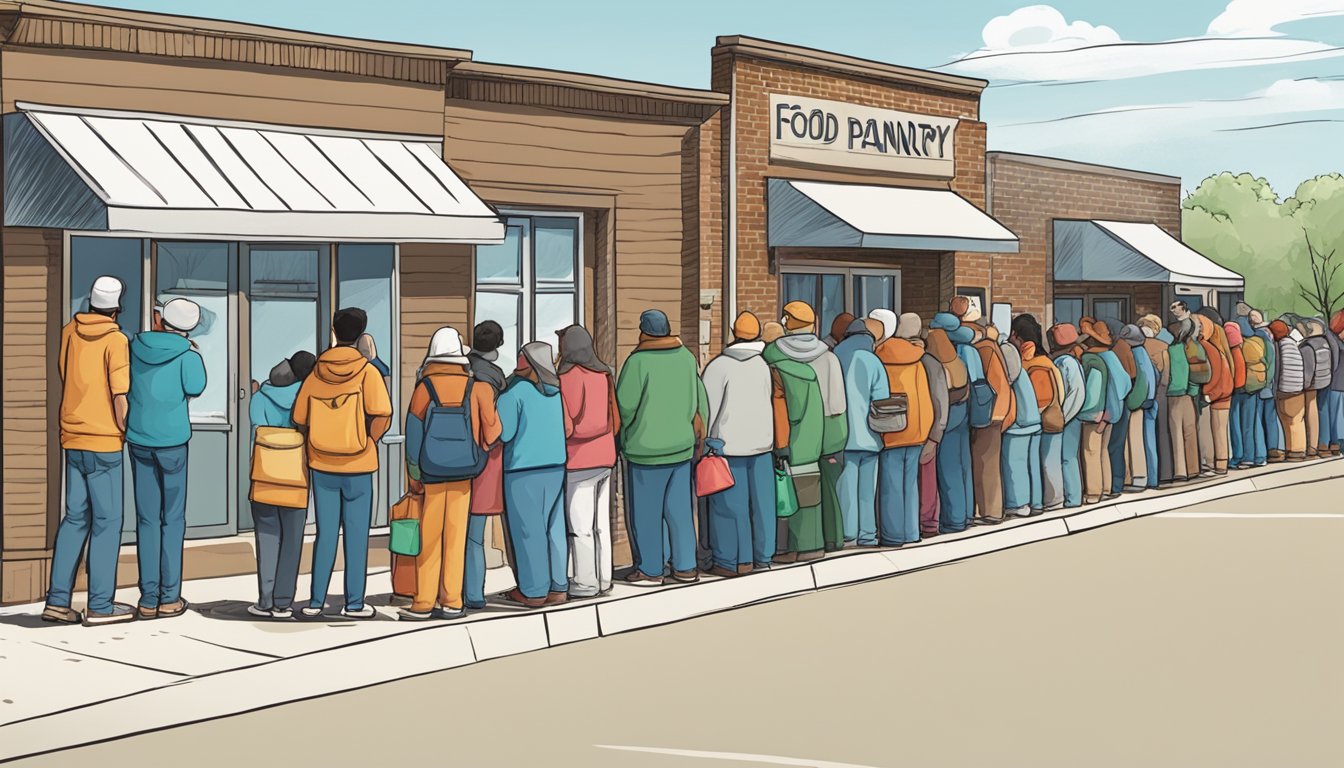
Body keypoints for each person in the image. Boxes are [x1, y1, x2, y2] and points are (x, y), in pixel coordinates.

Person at [44, 276, 136, 626]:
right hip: (104, 441)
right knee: (108, 522)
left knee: (75, 517)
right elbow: (119, 396)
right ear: (116, 307)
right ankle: (100, 604)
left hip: (72, 436)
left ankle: (57, 601)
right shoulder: (116, 340)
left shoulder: (69, 332)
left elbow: (64, 374)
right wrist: (125, 429)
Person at [292, 308, 394, 619]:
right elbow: (383, 414)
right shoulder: (368, 372)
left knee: (325, 534)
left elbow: (298, 417)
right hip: (360, 465)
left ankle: (315, 601)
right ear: (361, 334)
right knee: (356, 534)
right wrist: (368, 441)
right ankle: (354, 604)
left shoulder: (316, 372)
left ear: (334, 333)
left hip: (322, 464)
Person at [402, 327, 500, 620]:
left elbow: (413, 435)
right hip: (464, 473)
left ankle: (423, 602)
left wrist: (414, 472)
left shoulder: (424, 389)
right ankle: (453, 601)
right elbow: (494, 431)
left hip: (431, 472)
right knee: (456, 538)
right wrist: (478, 451)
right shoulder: (478, 388)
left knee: (430, 537)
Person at [126, 298, 207, 621]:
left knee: (147, 520)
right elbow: (197, 387)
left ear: (161, 320)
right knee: (172, 520)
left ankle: (147, 597)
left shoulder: (134, 346)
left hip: (139, 439)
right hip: (173, 442)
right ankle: (169, 597)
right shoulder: (188, 356)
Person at [617, 309, 707, 584]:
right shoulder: (686, 359)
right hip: (681, 448)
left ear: (644, 332)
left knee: (646, 514)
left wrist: (621, 438)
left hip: (646, 451)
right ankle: (685, 566)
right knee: (679, 511)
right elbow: (701, 402)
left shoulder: (637, 362)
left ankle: (651, 568)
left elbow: (625, 407)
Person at [703, 312, 778, 574]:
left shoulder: (719, 366)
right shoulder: (763, 365)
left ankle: (734, 560)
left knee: (729, 508)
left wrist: (704, 444)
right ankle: (763, 556)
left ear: (733, 333)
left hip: (728, 448)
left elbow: (707, 409)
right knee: (762, 506)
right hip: (762, 446)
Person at [495, 341, 569, 606]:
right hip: (556, 467)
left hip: (523, 470)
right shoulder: (556, 393)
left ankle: (534, 590)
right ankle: (558, 586)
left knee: (529, 531)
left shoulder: (514, 394)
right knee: (554, 527)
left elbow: (504, 433)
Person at [247, 350, 317, 619]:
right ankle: (284, 602)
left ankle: (265, 601)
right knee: (292, 541)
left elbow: (255, 428)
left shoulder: (260, 397)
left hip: (265, 476)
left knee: (266, 538)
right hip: (296, 478)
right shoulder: (306, 396)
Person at [774, 301, 848, 553]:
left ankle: (795, 544)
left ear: (786, 323)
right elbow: (837, 403)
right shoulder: (828, 357)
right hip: (828, 431)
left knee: (792, 491)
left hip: (791, 433)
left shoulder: (774, 356)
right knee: (825, 491)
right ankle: (831, 539)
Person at [764, 303, 830, 561]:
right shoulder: (816, 364)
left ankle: (786, 548)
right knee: (809, 494)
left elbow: (779, 409)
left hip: (787, 442)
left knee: (785, 496)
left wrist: (780, 445)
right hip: (812, 440)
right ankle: (812, 545)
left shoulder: (774, 360)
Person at [556, 324, 619, 596]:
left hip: (578, 459)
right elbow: (615, 418)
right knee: (601, 525)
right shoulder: (604, 374)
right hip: (606, 456)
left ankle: (585, 582)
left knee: (580, 527)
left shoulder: (569, 377)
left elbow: (567, 425)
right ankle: (604, 578)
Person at [872, 311, 937, 545]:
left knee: (890, 486)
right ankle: (911, 532)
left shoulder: (881, 357)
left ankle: (892, 534)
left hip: (892, 429)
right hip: (917, 431)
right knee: (911, 485)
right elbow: (925, 398)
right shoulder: (918, 360)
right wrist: (927, 430)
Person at [832, 316, 888, 548]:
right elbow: (882, 400)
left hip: (844, 434)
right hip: (871, 435)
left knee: (846, 486)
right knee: (868, 488)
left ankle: (847, 532)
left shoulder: (835, 358)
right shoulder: (872, 360)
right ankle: (867, 533)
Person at [463, 321, 508, 609]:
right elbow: (493, 431)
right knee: (474, 535)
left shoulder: (459, 371)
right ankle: (474, 594)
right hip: (481, 460)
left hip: (446, 459)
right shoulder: (493, 378)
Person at [894, 313, 947, 538]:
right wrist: (936, 433)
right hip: (927, 429)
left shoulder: (890, 358)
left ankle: (907, 525)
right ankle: (927, 524)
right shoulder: (931, 362)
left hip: (899, 431)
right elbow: (941, 401)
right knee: (927, 480)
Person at [928, 312, 978, 532]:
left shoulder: (939, 357)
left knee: (948, 469)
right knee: (963, 465)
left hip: (949, 415)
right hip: (964, 412)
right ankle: (966, 514)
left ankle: (954, 520)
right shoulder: (960, 356)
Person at [1013, 314, 1062, 513]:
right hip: (1046, 420)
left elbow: (1041, 399)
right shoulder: (1047, 362)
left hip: (1041, 421)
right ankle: (1041, 502)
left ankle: (1047, 501)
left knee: (1039, 463)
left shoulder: (1037, 365)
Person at [969, 315, 1013, 525]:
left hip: (989, 414)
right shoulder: (994, 347)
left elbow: (995, 385)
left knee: (986, 466)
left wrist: (995, 415)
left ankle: (990, 512)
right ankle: (992, 511)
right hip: (995, 413)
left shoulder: (983, 349)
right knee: (989, 466)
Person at [999, 327, 1041, 516]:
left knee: (1014, 462)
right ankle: (1036, 502)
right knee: (1032, 463)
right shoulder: (1022, 371)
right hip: (1033, 418)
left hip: (1019, 423)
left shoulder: (1011, 372)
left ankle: (1018, 503)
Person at [1076, 319, 1118, 504]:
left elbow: (1091, 393)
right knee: (1101, 451)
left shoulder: (1090, 360)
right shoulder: (1110, 358)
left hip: (1094, 414)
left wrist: (1084, 413)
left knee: (1090, 452)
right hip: (1109, 412)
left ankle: (1093, 492)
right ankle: (1106, 487)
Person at [1047, 323, 1086, 508]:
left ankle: (1073, 498)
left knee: (1067, 458)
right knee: (1065, 458)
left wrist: (1064, 416)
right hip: (1067, 417)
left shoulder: (1066, 362)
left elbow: (1077, 393)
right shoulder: (1068, 361)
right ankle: (1071, 497)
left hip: (1068, 418)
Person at [1195, 312, 1234, 475]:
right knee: (1219, 430)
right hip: (1222, 394)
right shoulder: (1218, 347)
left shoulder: (1206, 347)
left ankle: (1216, 464)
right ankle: (1219, 464)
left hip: (1214, 395)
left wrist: (1208, 394)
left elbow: (1215, 372)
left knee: (1213, 431)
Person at [1118, 324, 1156, 491]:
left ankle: (1139, 478)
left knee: (1135, 440)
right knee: (1146, 441)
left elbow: (1142, 381)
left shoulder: (1136, 355)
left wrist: (1132, 402)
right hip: (1148, 401)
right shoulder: (1144, 353)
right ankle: (1150, 477)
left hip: (1139, 403)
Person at [1166, 319, 1201, 482]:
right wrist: (1193, 390)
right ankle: (1193, 468)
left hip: (1173, 394)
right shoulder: (1190, 348)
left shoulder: (1170, 350)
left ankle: (1180, 470)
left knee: (1176, 432)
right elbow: (1195, 372)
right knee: (1190, 430)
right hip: (1188, 394)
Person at [1138, 315, 1171, 487]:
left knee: (1143, 438)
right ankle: (1158, 475)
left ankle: (1147, 477)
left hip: (1141, 398)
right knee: (1160, 436)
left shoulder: (1137, 347)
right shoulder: (1164, 347)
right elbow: (1166, 377)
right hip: (1160, 396)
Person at [1269, 320, 1308, 461]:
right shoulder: (1293, 345)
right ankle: (1296, 450)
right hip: (1298, 389)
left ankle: (1294, 449)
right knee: (1296, 420)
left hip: (1284, 390)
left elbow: (1278, 368)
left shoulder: (1278, 347)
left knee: (1286, 420)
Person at [1301, 318, 1334, 457]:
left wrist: (1305, 385)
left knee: (1311, 412)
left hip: (1313, 384)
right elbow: (1335, 360)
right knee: (1324, 412)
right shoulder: (1326, 343)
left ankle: (1312, 447)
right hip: (1326, 379)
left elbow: (1308, 370)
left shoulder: (1307, 346)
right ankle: (1324, 444)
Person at [1223, 322, 1250, 470]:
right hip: (1243, 389)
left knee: (1235, 425)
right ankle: (1243, 455)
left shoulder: (1232, 352)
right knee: (1243, 424)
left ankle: (1237, 456)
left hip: (1235, 390)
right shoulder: (1242, 348)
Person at [1327, 310, 1344, 456]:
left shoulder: (1335, 343)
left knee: (1336, 415)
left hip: (1336, 385)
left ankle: (1337, 443)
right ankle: (1337, 443)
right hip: (1337, 385)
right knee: (1337, 416)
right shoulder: (1336, 343)